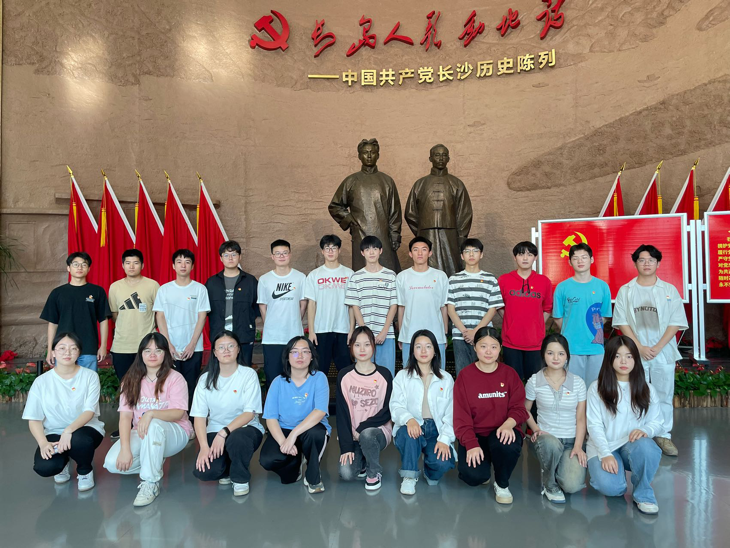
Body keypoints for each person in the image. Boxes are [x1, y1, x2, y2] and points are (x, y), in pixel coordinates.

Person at [613, 245, 688, 457]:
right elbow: (622, 322)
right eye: (642, 260)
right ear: (635, 263)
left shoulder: (669, 290)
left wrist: (657, 347)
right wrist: (639, 347)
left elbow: (675, 322)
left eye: (651, 260)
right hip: (635, 351)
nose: (646, 263)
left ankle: (663, 435)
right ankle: (638, 434)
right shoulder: (626, 291)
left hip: (663, 351)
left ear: (658, 263)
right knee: (636, 393)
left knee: (664, 394)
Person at [103, 332, 194, 507]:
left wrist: (151, 413)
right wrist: (125, 449)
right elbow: (125, 417)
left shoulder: (175, 378)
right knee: (112, 463)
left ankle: (150, 483)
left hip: (176, 432)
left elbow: (178, 413)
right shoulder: (130, 380)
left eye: (158, 350)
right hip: (142, 432)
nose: (152, 355)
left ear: (165, 354)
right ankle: (154, 460)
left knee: (153, 424)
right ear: (141, 354)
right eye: (147, 350)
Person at [586, 336, 663, 515]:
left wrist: (645, 430)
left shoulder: (646, 389)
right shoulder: (597, 388)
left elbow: (657, 422)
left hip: (632, 445)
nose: (623, 361)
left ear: (635, 359)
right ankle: (618, 481)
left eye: (629, 356)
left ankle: (643, 493)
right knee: (611, 487)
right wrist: (605, 454)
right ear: (609, 358)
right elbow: (594, 425)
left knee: (647, 447)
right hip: (604, 447)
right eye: (617, 356)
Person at [453, 327, 529, 504]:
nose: (488, 352)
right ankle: (485, 465)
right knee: (473, 476)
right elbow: (461, 418)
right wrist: (471, 444)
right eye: (483, 346)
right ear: (475, 348)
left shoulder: (509, 374)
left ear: (500, 348)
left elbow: (519, 409)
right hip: (477, 435)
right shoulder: (465, 376)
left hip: (502, 432)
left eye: (494, 347)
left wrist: (508, 424)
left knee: (507, 443)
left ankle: (502, 484)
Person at [23, 332, 105, 491]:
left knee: (79, 441)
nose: (67, 352)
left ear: (79, 353)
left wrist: (68, 431)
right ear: (53, 352)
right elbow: (34, 419)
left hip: (85, 429)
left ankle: (84, 470)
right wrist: (43, 443)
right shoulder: (41, 382)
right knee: (45, 467)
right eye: (62, 348)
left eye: (73, 348)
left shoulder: (90, 376)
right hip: (54, 432)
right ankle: (63, 463)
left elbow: (89, 412)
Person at [191, 331, 264, 497]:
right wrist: (204, 447)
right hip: (215, 429)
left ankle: (240, 478)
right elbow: (199, 417)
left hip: (246, 428)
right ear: (215, 353)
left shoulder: (248, 375)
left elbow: (249, 413)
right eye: (221, 347)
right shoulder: (205, 379)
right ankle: (228, 468)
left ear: (238, 350)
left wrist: (223, 433)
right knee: (205, 471)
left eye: (231, 346)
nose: (226, 350)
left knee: (237, 439)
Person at [259, 336, 331, 494]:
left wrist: (294, 434)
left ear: (311, 356)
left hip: (310, 428)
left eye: (305, 351)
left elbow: (319, 412)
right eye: (295, 352)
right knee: (267, 460)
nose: (300, 356)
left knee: (316, 435)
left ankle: (313, 476)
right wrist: (283, 441)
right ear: (287, 356)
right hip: (284, 429)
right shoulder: (278, 382)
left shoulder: (319, 378)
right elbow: (270, 418)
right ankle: (296, 464)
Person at [390, 329, 455, 496]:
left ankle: (429, 468)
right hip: (412, 427)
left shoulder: (446, 379)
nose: (423, 351)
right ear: (413, 351)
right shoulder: (402, 376)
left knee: (441, 464)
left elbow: (451, 413)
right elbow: (395, 405)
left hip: (435, 430)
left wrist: (445, 439)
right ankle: (409, 475)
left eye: (428, 346)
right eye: (418, 347)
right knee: (409, 435)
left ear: (435, 351)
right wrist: (409, 419)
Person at [524, 334, 587, 504]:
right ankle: (550, 484)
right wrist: (536, 429)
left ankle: (558, 466)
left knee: (572, 485)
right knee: (550, 444)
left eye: (561, 353)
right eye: (550, 353)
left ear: (567, 356)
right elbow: (524, 409)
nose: (556, 358)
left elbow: (581, 418)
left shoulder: (578, 383)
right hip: (546, 439)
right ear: (543, 355)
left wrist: (578, 446)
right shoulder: (534, 381)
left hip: (571, 441)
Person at [328, 138, 403, 273]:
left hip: (383, 236)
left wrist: (395, 235)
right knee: (362, 273)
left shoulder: (387, 181)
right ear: (359, 156)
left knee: (387, 272)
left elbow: (395, 212)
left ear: (378, 155)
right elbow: (335, 205)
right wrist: (350, 220)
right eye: (365, 152)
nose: (369, 156)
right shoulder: (351, 181)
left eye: (372, 152)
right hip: (360, 235)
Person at [108, 249, 160, 438]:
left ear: (142, 265)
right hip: (122, 345)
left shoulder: (152, 285)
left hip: (146, 346)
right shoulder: (115, 287)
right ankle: (127, 424)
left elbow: (158, 313)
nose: (131, 266)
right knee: (126, 387)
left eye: (136, 262)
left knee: (149, 386)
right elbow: (115, 315)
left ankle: (148, 422)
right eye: (128, 263)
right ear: (122, 265)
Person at [336, 326, 393, 491]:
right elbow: (341, 413)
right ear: (351, 347)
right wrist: (346, 446)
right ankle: (361, 462)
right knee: (346, 473)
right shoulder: (344, 375)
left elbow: (388, 410)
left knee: (367, 435)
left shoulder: (384, 374)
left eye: (367, 344)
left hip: (377, 432)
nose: (362, 349)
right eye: (357, 345)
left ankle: (374, 472)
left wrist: (361, 428)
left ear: (373, 346)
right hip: (353, 434)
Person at [405, 144, 473, 277]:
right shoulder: (420, 184)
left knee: (452, 268)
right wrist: (421, 231)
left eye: (444, 155)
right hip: (426, 234)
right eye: (437, 155)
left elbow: (464, 213)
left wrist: (461, 237)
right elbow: (410, 213)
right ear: (430, 158)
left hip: (450, 235)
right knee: (426, 267)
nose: (441, 158)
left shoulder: (456, 183)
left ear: (448, 158)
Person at [153, 249, 210, 407]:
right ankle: (173, 417)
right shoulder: (164, 289)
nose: (183, 265)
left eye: (187, 262)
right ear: (173, 266)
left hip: (193, 348)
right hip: (170, 348)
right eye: (179, 262)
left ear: (192, 266)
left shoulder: (200, 289)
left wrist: (192, 344)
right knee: (170, 385)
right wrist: (168, 345)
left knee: (191, 386)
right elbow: (160, 317)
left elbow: (202, 317)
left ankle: (190, 419)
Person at [552, 243, 612, 388]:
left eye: (584, 257)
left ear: (591, 259)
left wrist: (592, 329)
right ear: (569, 262)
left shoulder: (602, 286)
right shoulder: (562, 287)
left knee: (595, 389)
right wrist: (571, 329)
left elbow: (605, 316)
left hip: (596, 348)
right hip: (571, 348)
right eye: (575, 258)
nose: (580, 261)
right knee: (572, 390)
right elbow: (558, 317)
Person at [41, 252, 111, 372]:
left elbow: (103, 320)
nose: (80, 267)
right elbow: (52, 323)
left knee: (87, 381)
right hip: (63, 348)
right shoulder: (57, 293)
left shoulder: (97, 291)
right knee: (64, 381)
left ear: (89, 269)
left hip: (88, 347)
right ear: (68, 268)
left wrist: (103, 346)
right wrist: (51, 349)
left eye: (84, 264)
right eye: (75, 264)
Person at [447, 238, 504, 376]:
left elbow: (493, 308)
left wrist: (476, 332)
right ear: (462, 256)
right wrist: (465, 332)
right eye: (467, 251)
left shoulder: (490, 279)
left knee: (485, 373)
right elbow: (450, 309)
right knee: (463, 374)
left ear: (481, 254)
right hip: (460, 336)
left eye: (475, 251)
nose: (471, 254)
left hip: (484, 336)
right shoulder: (453, 279)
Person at [498, 241, 553, 381]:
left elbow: (547, 308)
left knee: (534, 383)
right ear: (515, 257)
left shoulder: (544, 281)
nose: (525, 258)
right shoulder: (504, 280)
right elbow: (499, 306)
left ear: (535, 258)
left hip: (535, 342)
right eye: (521, 254)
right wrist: (511, 321)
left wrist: (537, 324)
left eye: (529, 254)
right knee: (513, 382)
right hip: (511, 341)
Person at [345, 235, 398, 375]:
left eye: (375, 248)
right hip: (363, 337)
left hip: (386, 335)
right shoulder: (356, 277)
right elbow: (354, 306)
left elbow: (394, 305)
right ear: (362, 253)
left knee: (386, 374)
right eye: (367, 249)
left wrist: (384, 331)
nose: (371, 252)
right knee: (363, 375)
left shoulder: (390, 275)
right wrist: (365, 333)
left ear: (381, 251)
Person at [257, 239, 307, 388]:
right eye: (277, 253)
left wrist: (295, 321)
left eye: (285, 253)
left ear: (290, 254)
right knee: (273, 378)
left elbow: (303, 304)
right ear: (272, 256)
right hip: (272, 338)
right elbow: (263, 306)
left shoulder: (300, 277)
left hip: (294, 336)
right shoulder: (265, 279)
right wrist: (270, 324)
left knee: (295, 376)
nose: (281, 256)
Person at [304, 235, 355, 376]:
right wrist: (312, 331)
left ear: (339, 250)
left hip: (343, 329)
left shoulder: (349, 274)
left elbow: (352, 305)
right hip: (321, 330)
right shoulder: (314, 275)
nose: (330, 251)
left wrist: (351, 330)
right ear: (322, 251)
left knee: (346, 372)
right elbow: (311, 304)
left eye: (334, 248)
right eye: (327, 248)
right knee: (319, 371)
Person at [205, 240, 260, 368]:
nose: (230, 258)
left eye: (234, 254)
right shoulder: (212, 283)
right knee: (219, 372)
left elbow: (257, 308)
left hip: (244, 336)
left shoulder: (250, 281)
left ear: (240, 257)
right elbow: (205, 310)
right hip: (219, 336)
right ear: (221, 258)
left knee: (244, 370)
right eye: (226, 255)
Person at [396, 237, 449, 365]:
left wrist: (445, 334)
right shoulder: (402, 277)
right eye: (416, 250)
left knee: (437, 372)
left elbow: (444, 307)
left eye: (424, 249)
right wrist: (402, 335)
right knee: (409, 372)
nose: (420, 253)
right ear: (410, 253)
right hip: (409, 336)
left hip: (436, 335)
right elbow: (401, 307)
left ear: (430, 253)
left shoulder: (440, 276)